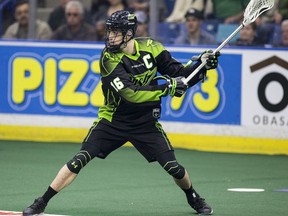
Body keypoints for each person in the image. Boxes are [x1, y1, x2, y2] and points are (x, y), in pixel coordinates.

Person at [22, 10, 220, 216]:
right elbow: (130, 94)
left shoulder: (151, 47)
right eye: (110, 32)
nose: (110, 36)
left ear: (129, 33)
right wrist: (167, 88)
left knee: (174, 168)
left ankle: (194, 198)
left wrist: (202, 66)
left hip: (145, 123)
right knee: (79, 159)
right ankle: (41, 202)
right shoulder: (109, 58)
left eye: (116, 32)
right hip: (112, 121)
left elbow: (181, 75)